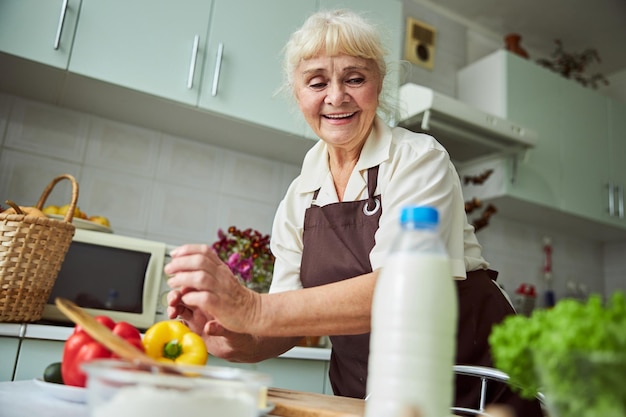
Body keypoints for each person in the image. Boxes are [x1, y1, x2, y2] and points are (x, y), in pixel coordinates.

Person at [165, 9, 543, 417]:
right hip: (364, 399)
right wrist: (237, 338)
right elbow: (290, 315)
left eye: (355, 78)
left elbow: (404, 288)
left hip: (475, 392)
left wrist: (251, 309)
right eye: (317, 82)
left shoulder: (418, 159)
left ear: (378, 85)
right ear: (297, 94)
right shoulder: (301, 196)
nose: (336, 96)